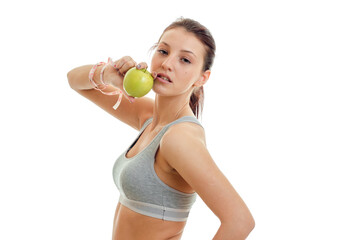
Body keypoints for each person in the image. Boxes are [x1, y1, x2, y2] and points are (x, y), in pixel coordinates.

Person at [67, 17, 255, 240]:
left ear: (202, 78)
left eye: (185, 59)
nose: (167, 63)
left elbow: (239, 221)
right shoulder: (150, 117)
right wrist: (109, 74)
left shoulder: (179, 138)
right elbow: (74, 81)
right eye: (163, 51)